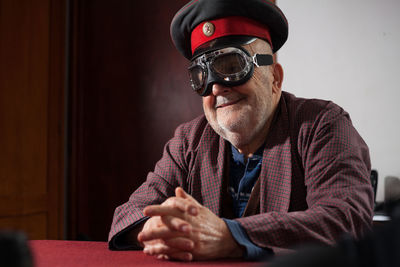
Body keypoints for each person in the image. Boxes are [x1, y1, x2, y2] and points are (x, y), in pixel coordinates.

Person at [108, 0, 373, 262]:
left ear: (274, 79)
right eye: (203, 75)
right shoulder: (189, 141)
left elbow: (346, 220)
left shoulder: (322, 125)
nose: (215, 88)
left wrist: (230, 236)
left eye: (233, 66)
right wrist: (157, 228)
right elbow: (128, 214)